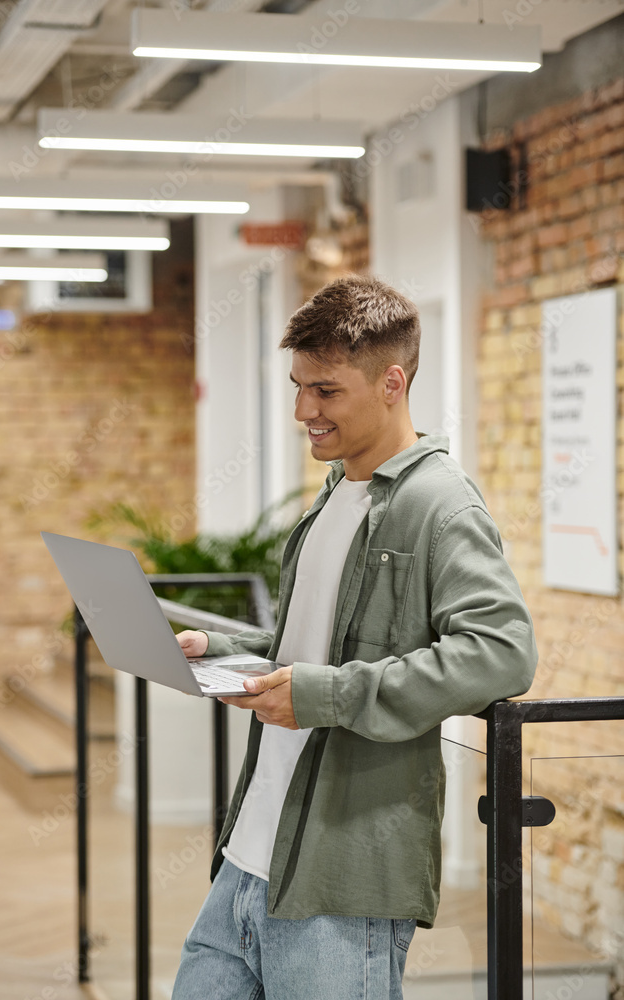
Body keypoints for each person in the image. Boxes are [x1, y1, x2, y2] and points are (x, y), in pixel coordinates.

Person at [171, 274, 538, 1000]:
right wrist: (226, 653)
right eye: (298, 387)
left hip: (340, 881)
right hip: (249, 856)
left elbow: (501, 652)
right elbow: (316, 650)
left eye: (326, 391)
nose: (303, 410)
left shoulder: (440, 505)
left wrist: (327, 696)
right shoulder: (337, 490)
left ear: (392, 382)